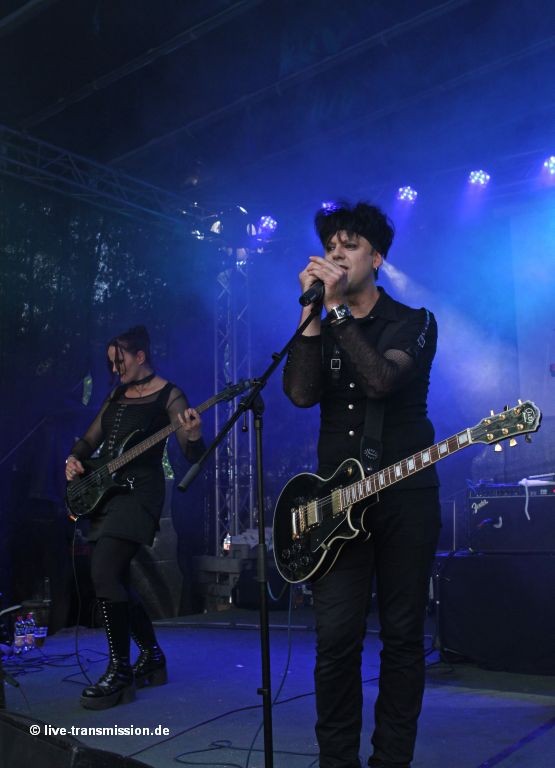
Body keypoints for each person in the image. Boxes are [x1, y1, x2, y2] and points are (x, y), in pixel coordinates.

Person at [283, 202, 441, 768]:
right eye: (330, 247)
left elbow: (381, 380)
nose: (336, 255)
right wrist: (312, 317)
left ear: (376, 258)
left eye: (349, 246)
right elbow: (300, 394)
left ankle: (391, 761)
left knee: (401, 637)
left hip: (405, 497)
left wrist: (335, 313)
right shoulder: (323, 320)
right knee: (335, 641)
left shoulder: (415, 321)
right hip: (336, 505)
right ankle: (337, 762)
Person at [65, 325, 205, 710]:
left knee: (104, 571)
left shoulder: (170, 395)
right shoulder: (116, 394)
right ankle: (152, 657)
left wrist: (193, 435)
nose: (115, 368)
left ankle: (120, 672)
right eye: (111, 362)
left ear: (140, 356)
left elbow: (192, 454)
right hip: (106, 493)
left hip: (139, 493)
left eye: (120, 360)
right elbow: (90, 439)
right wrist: (74, 458)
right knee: (118, 578)